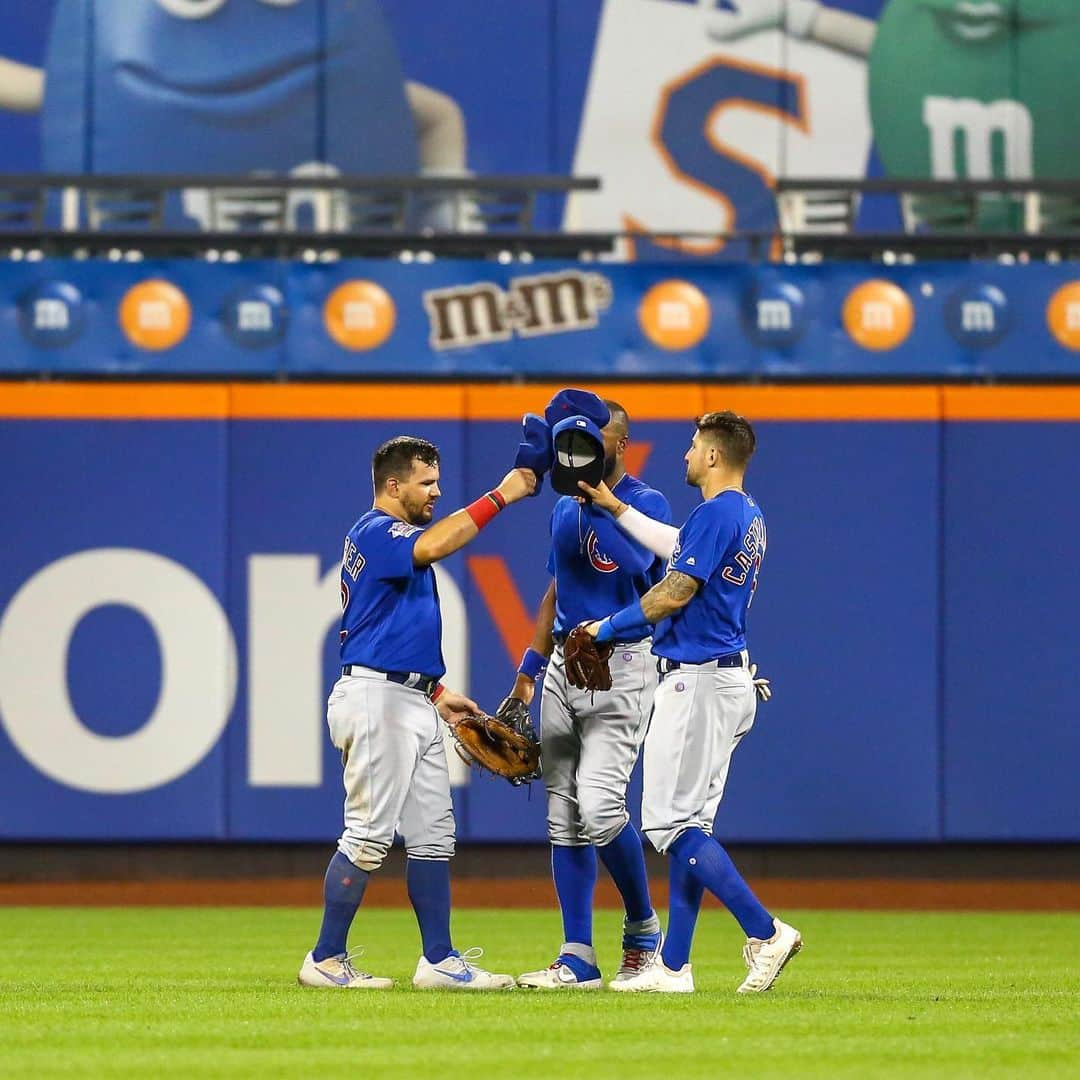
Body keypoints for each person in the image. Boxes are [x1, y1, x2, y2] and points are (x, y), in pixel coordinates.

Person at [298, 435, 535, 991]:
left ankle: (439, 961)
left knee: (432, 834)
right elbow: (435, 544)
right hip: (377, 701)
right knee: (367, 836)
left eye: (437, 480)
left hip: (410, 697)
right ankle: (325, 959)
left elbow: (389, 627)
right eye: (426, 482)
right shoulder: (376, 532)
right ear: (393, 485)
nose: (436, 490)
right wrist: (502, 494)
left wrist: (435, 691)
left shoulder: (390, 539)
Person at [578, 410, 801, 994]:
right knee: (692, 826)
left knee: (669, 826)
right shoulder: (745, 514)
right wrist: (615, 506)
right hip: (726, 677)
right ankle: (673, 968)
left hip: (697, 681)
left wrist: (604, 629)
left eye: (693, 445)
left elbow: (675, 589)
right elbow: (677, 546)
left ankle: (765, 930)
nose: (684, 454)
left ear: (713, 456)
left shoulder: (716, 511)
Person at [511, 399, 673, 990]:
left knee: (601, 807)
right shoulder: (561, 508)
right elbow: (557, 587)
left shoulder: (646, 506)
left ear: (619, 445)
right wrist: (529, 666)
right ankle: (577, 954)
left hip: (621, 665)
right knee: (564, 818)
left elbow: (639, 564)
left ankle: (641, 928)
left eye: (594, 438)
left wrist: (607, 506)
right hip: (562, 664)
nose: (579, 446)